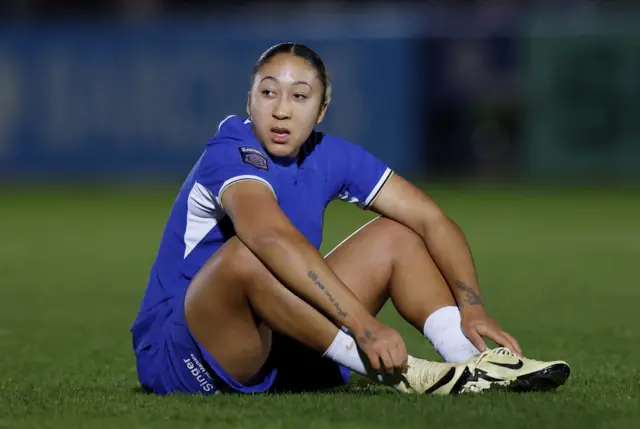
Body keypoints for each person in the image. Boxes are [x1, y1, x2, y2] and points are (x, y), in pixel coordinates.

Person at [130, 42, 570, 396]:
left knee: (398, 234)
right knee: (246, 253)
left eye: (300, 96)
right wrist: (365, 327)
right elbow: (268, 238)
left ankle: (471, 362)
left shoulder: (329, 156)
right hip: (184, 355)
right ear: (250, 100)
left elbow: (432, 218)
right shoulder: (231, 151)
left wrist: (472, 308)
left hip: (283, 338)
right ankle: (405, 373)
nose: (281, 109)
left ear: (321, 111)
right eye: (268, 93)